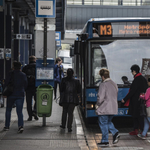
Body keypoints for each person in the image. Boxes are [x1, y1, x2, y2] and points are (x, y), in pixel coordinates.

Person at [96, 68, 120, 147]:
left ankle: (105, 140)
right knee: (108, 122)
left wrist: (97, 104)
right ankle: (115, 133)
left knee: (103, 123)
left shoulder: (103, 84)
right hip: (113, 107)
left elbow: (101, 97)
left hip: (104, 107)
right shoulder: (114, 84)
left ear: (102, 76)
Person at [121, 64, 148, 135]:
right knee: (140, 116)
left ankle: (139, 130)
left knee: (137, 116)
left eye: (132, 71)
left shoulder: (137, 79)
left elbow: (132, 91)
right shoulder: (143, 78)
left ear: (134, 71)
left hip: (136, 101)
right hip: (142, 100)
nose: (132, 73)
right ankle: (140, 130)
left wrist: (125, 99)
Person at [3, 61, 28, 133]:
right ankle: (20, 126)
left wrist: (4, 93)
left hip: (11, 94)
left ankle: (7, 126)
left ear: (13, 67)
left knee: (8, 110)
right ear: (20, 67)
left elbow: (6, 83)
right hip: (20, 94)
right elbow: (25, 84)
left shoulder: (10, 74)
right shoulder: (23, 75)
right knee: (19, 112)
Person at [22, 55, 38, 121]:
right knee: (37, 100)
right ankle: (35, 111)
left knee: (28, 102)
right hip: (36, 86)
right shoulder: (37, 67)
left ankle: (30, 116)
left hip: (28, 87)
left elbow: (23, 78)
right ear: (35, 60)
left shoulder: (25, 68)